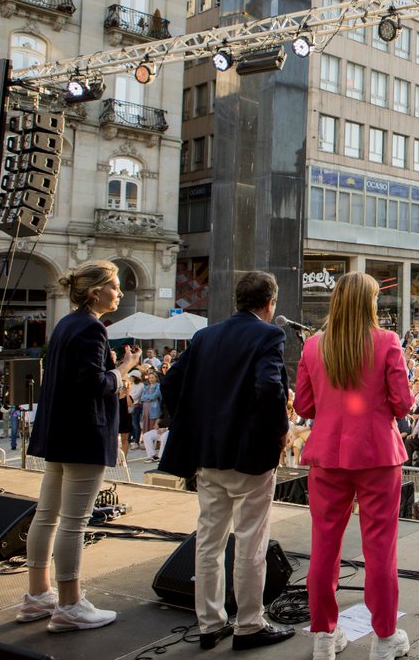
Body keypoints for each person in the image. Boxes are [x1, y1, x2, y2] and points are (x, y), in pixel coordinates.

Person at [159, 271, 295, 651]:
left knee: (208, 542)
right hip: (250, 455)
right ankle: (249, 624)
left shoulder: (205, 336)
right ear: (270, 302)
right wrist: (280, 429)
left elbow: (170, 383)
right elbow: (269, 386)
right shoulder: (268, 334)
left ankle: (209, 624)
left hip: (207, 454)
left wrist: (192, 423)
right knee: (251, 541)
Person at [294, 271, 414, 660]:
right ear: (369, 303)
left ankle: (324, 637)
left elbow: (304, 406)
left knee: (323, 546)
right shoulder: (386, 341)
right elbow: (403, 403)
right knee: (380, 547)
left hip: (327, 456)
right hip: (378, 454)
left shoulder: (313, 345)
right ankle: (384, 638)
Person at [20, 260, 142, 631]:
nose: (120, 292)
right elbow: (93, 384)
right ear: (95, 292)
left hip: (59, 433)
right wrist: (123, 370)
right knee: (73, 522)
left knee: (47, 514)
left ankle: (38, 596)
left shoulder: (66, 324)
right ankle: (70, 604)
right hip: (83, 435)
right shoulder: (91, 328)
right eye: (115, 286)